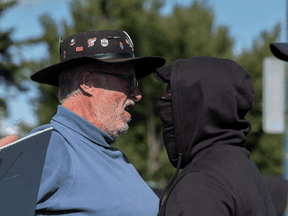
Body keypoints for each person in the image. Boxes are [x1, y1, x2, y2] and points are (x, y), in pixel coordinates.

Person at [1, 30, 165, 215]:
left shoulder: (103, 151)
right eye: (129, 81)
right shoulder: (49, 146)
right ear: (88, 83)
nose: (137, 94)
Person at [153, 56, 277, 216]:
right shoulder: (242, 168)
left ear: (195, 104)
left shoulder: (202, 184)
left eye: (170, 95)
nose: (162, 100)